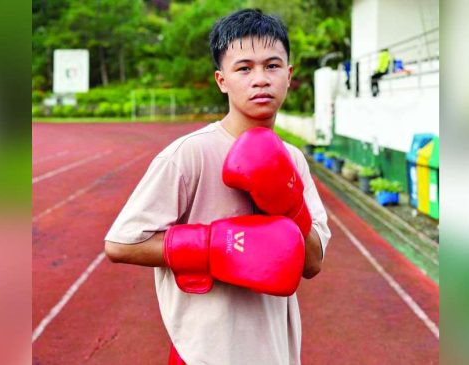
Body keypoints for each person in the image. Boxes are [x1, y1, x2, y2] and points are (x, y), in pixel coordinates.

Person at [104, 9, 331, 365]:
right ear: (221, 79)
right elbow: (120, 243)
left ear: (289, 76)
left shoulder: (293, 160)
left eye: (272, 66)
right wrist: (214, 247)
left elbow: (313, 262)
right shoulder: (189, 154)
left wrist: (290, 206)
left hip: (275, 353)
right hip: (203, 354)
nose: (260, 79)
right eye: (244, 68)